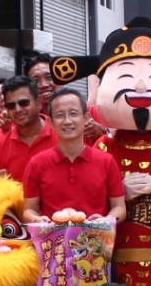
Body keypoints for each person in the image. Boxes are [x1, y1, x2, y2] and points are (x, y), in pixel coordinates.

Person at [22, 88, 127, 221]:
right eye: (60, 115)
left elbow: (119, 208)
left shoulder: (106, 161)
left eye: (73, 113)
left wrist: (107, 220)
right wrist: (37, 220)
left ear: (86, 118)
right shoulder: (37, 163)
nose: (67, 121)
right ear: (51, 123)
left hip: (97, 239)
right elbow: (29, 209)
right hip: (52, 239)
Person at [0, 76, 56, 181]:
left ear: (39, 102)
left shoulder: (61, 135)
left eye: (24, 103)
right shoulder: (1, 145)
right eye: (11, 106)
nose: (17, 109)